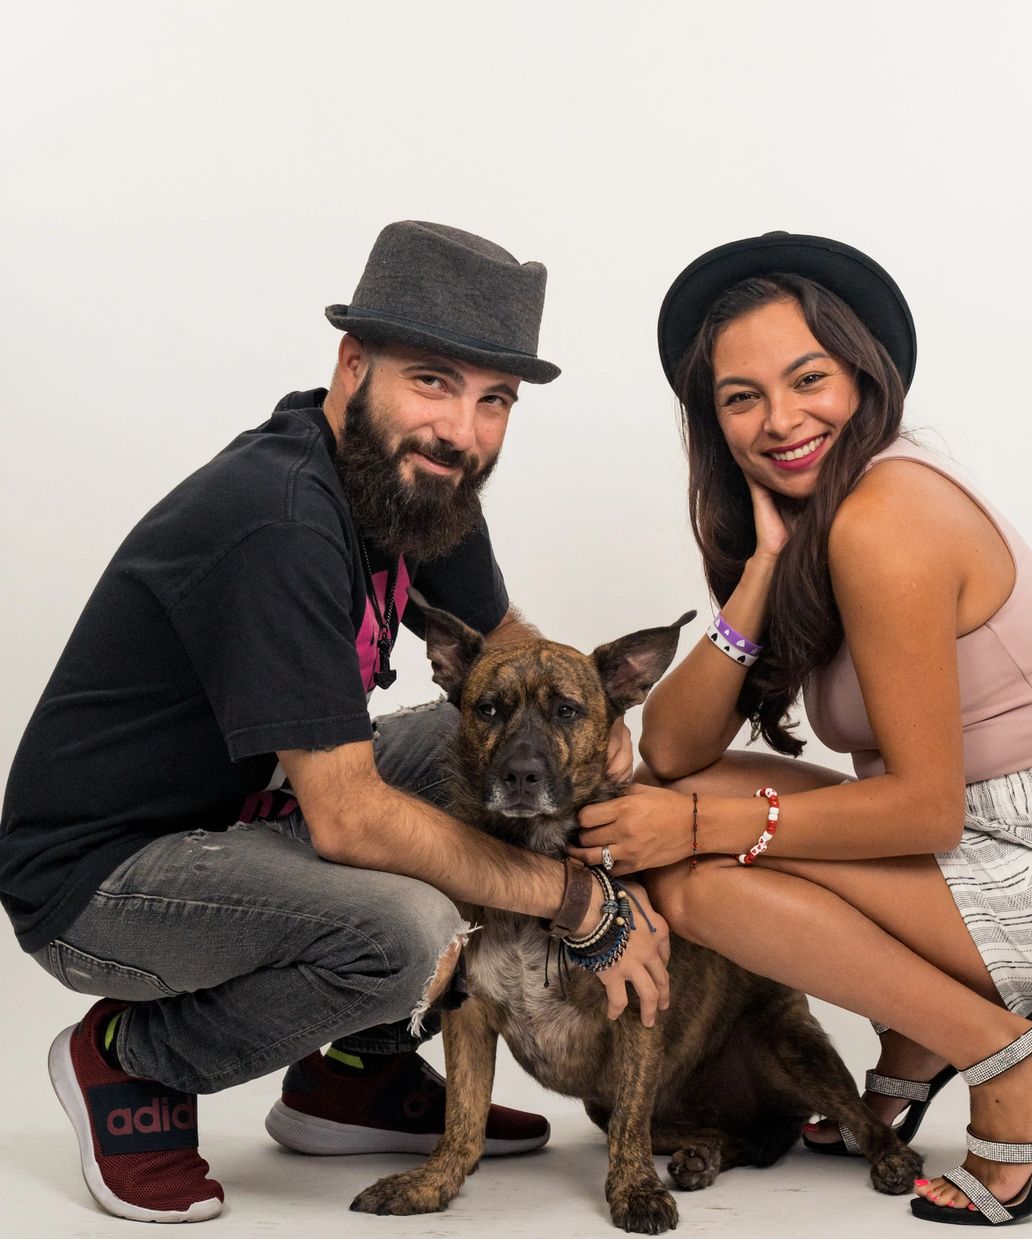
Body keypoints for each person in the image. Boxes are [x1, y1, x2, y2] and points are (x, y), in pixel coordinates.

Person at [0, 221, 670, 1224]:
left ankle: (352, 1072)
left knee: (474, 749)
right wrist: (580, 901)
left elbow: (505, 649)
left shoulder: (411, 483)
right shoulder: (279, 517)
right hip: (106, 878)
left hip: (244, 820)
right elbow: (352, 821)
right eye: (433, 382)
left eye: (495, 401)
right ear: (352, 365)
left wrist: (602, 742)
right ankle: (130, 1064)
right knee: (411, 933)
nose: (463, 430)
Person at [568, 232, 1032, 1226]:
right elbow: (671, 752)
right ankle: (916, 1047)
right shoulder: (828, 519)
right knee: (655, 799)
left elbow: (924, 812)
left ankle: (1010, 1064)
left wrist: (699, 832)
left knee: (686, 869)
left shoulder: (886, 518)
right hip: (976, 845)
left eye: (809, 379)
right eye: (741, 398)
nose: (779, 419)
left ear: (863, 373)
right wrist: (760, 572)